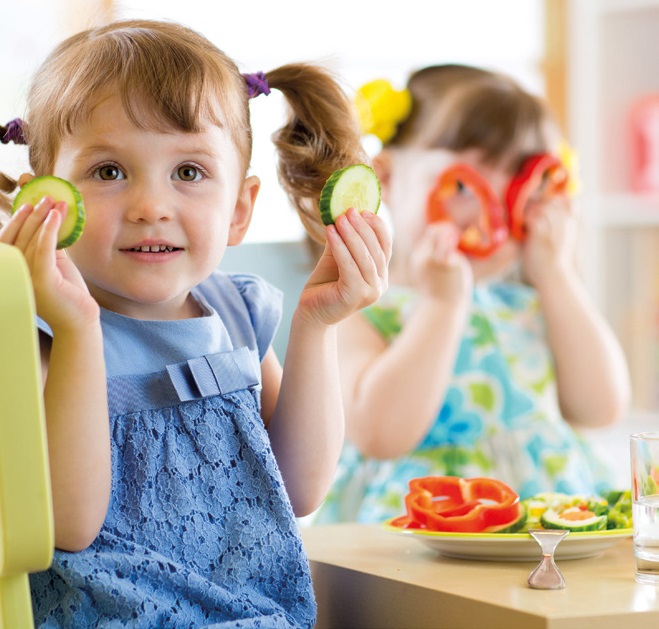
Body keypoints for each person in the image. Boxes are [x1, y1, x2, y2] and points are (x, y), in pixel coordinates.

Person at [0, 19, 391, 627]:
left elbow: (298, 490)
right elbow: (70, 527)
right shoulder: (41, 334)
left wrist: (318, 325)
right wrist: (77, 330)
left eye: (188, 172)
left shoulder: (236, 314)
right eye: (108, 171)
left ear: (239, 210)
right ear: (44, 202)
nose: (150, 207)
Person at [312, 64, 631, 525]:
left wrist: (558, 274)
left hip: (546, 532)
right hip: (421, 535)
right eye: (464, 187)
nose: (493, 221)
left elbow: (601, 408)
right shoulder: (358, 307)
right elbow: (380, 434)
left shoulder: (531, 306)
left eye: (524, 192)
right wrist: (443, 305)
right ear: (387, 177)